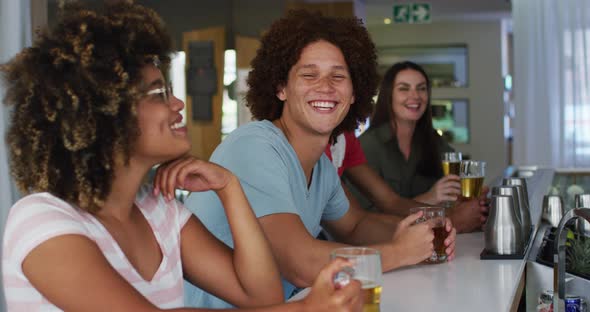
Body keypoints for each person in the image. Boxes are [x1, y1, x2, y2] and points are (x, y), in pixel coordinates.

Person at [1, 3, 363, 311]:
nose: (177, 104)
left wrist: (229, 186)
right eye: (158, 93)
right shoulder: (42, 222)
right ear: (104, 113)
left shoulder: (160, 211)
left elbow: (259, 295)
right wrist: (304, 308)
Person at [183, 10, 457, 309]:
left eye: (338, 76)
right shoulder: (254, 146)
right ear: (281, 88)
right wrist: (400, 252)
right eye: (309, 74)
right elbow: (298, 263)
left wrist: (423, 232)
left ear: (354, 94)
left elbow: (356, 225)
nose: (325, 86)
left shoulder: (322, 165)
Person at [352, 61, 488, 233]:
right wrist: (430, 198)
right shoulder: (366, 146)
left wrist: (468, 200)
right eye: (404, 88)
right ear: (388, 95)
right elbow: (364, 220)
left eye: (421, 88)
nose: (415, 96)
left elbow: (456, 193)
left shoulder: (435, 143)